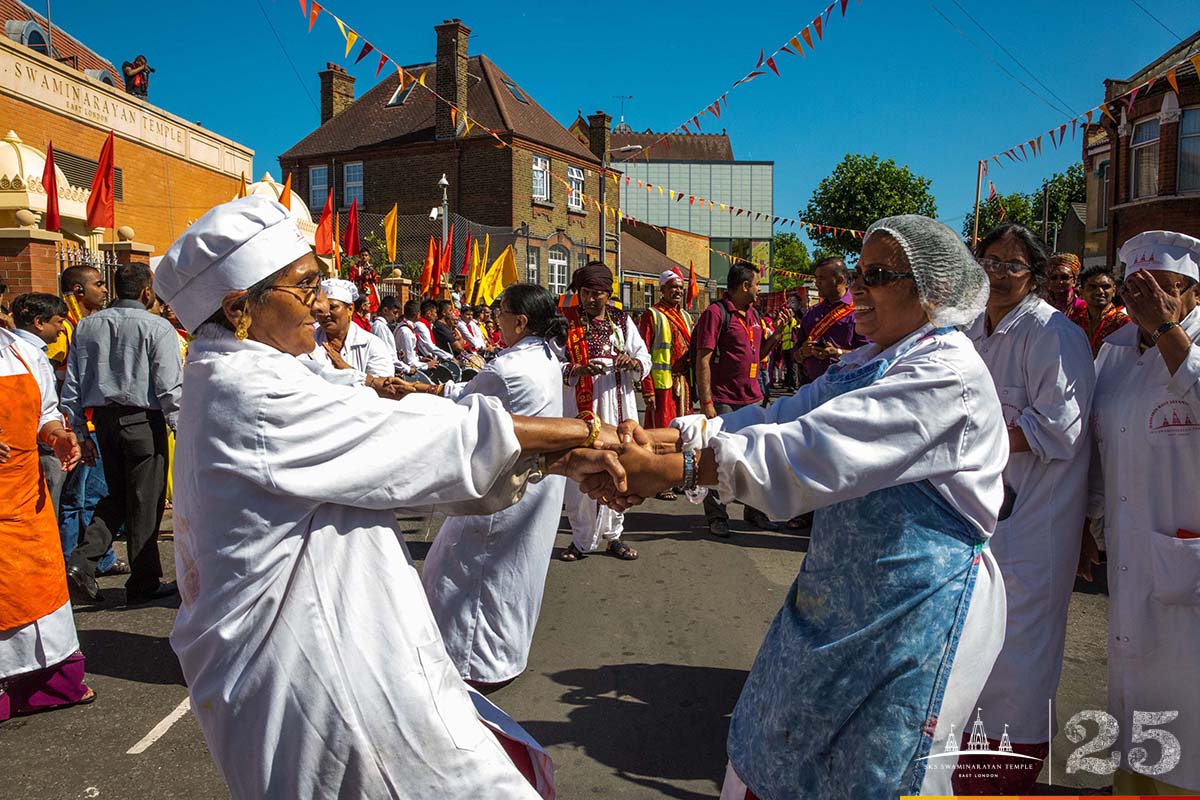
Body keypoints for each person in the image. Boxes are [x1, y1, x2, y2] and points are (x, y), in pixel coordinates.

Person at [154, 196, 627, 799]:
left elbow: (382, 419)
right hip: (318, 673)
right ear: (238, 308)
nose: (323, 303)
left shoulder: (265, 371)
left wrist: (562, 453)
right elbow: (428, 438)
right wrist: (588, 433)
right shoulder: (249, 392)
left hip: (333, 649)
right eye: (305, 287)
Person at [584, 215, 1008, 799]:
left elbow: (814, 452)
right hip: (842, 598)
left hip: (913, 609)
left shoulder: (945, 374)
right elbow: (776, 419)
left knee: (880, 769)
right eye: (857, 273)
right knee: (782, 744)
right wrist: (657, 440)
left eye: (876, 276)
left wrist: (674, 471)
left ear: (931, 289)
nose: (855, 289)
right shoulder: (869, 361)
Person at [956, 222, 1095, 793]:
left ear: (1034, 276)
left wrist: (966, 435)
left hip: (1035, 525)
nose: (999, 273)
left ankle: (1010, 776)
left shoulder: (1052, 334)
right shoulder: (972, 329)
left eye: (1014, 265)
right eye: (990, 260)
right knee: (973, 649)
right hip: (979, 517)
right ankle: (965, 770)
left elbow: (1060, 430)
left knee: (1019, 658)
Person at [1081, 230, 1200, 796]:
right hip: (1130, 556)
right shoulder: (1116, 351)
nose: (1147, 299)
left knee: (1187, 702)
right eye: (1137, 289)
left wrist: (1165, 330)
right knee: (1134, 696)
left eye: (1164, 289)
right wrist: (1088, 522)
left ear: (1194, 294)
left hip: (1189, 561)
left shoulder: (1192, 345)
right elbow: (1100, 447)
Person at [423, 284, 569, 688]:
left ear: (520, 320)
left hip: (502, 489)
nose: (495, 318)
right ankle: (497, 657)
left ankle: (470, 666)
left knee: (466, 572)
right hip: (533, 485)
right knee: (511, 576)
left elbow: (466, 412)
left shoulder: (507, 369)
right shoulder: (544, 356)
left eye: (500, 311)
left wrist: (419, 395)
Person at [60, 262, 183, 604]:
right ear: (147, 291)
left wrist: (82, 431)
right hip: (143, 421)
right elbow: (170, 388)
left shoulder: (87, 326)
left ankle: (82, 562)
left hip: (105, 420)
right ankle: (143, 581)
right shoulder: (157, 328)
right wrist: (183, 431)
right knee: (145, 501)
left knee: (117, 496)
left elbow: (73, 385)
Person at [0, 322, 90, 723]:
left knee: (36, 589)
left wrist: (56, 436)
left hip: (24, 497)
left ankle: (45, 685)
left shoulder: (22, 351)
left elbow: (45, 415)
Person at [558, 260, 651, 562]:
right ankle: (581, 539)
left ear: (608, 294)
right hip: (582, 407)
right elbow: (551, 363)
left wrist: (633, 363)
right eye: (586, 292)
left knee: (620, 466)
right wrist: (577, 369)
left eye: (598, 292)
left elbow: (643, 357)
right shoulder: (566, 323)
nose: (591, 298)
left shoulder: (622, 321)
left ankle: (615, 536)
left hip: (618, 402)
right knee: (582, 467)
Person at [692, 262, 791, 537]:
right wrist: (707, 402)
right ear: (745, 286)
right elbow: (703, 358)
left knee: (755, 459)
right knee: (718, 458)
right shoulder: (716, 313)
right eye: (758, 284)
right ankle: (716, 516)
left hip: (754, 398)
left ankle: (754, 511)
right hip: (724, 399)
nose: (760, 290)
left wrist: (777, 334)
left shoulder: (754, 314)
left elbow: (758, 354)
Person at [48, 266, 125, 577]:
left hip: (86, 424)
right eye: (98, 284)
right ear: (78, 290)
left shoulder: (82, 323)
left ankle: (89, 558)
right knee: (83, 498)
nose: (104, 290)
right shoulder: (65, 326)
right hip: (78, 426)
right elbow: (53, 373)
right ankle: (79, 561)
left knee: (86, 496)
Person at [11, 293, 71, 517]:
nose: (63, 329)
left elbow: (45, 409)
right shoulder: (28, 355)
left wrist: (56, 432)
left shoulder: (35, 355)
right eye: (59, 321)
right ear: (39, 322)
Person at [638, 268, 693, 434]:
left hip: (684, 382)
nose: (678, 291)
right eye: (673, 287)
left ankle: (683, 459)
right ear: (662, 290)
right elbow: (643, 353)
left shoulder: (686, 316)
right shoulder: (652, 315)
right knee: (662, 430)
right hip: (662, 385)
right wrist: (648, 391)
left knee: (686, 429)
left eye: (681, 288)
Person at [797, 256, 868, 384]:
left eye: (822, 278)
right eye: (816, 278)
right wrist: (803, 352)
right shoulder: (811, 313)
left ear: (839, 280)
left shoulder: (860, 310)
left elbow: (869, 354)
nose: (817, 283)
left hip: (846, 387)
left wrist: (837, 353)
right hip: (811, 387)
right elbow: (795, 354)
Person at [310, 279, 394, 379]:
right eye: (321, 309)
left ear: (350, 309)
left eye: (332, 307)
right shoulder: (307, 342)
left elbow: (384, 387)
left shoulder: (372, 345)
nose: (326, 314)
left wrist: (346, 370)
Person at [1074, 264, 1131, 357]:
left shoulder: (1124, 324)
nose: (1099, 291)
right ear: (1081, 292)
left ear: (1114, 291)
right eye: (1092, 287)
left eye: (1105, 287)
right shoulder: (1076, 322)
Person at [1041, 252, 1087, 319]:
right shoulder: (1041, 305)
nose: (1059, 282)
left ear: (1074, 281)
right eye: (1054, 277)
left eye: (1064, 277)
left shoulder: (1082, 307)